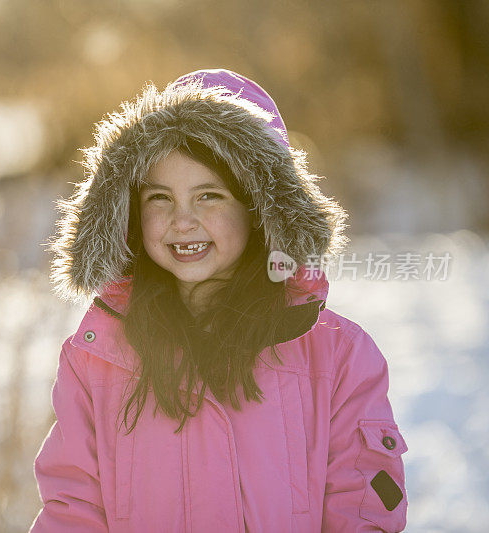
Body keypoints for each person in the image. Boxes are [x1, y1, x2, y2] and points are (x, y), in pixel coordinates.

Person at [29, 68, 408, 532]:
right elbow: (74, 510)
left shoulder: (338, 357)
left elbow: (362, 509)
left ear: (259, 209)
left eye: (209, 196)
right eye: (160, 198)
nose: (182, 221)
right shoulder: (97, 360)